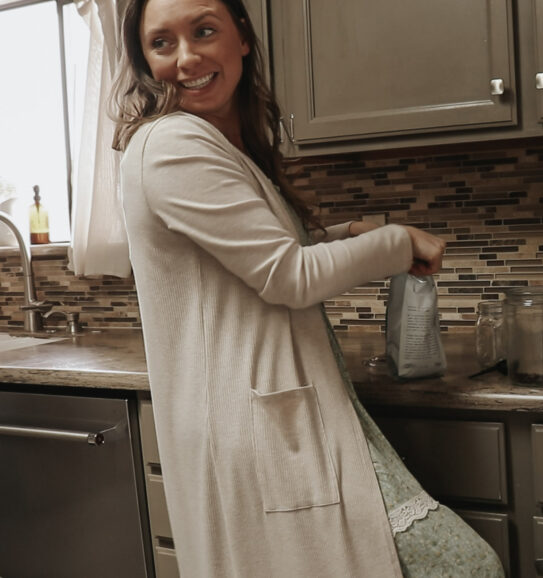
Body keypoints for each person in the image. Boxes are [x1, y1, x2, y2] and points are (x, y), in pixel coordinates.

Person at [112, 0, 505, 576]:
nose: (187, 57)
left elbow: (254, 253)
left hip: (282, 409)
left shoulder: (217, 141)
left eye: (203, 31)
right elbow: (285, 276)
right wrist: (396, 242)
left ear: (242, 37)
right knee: (467, 568)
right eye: (162, 43)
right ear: (144, 59)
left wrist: (346, 233)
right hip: (256, 426)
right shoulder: (172, 144)